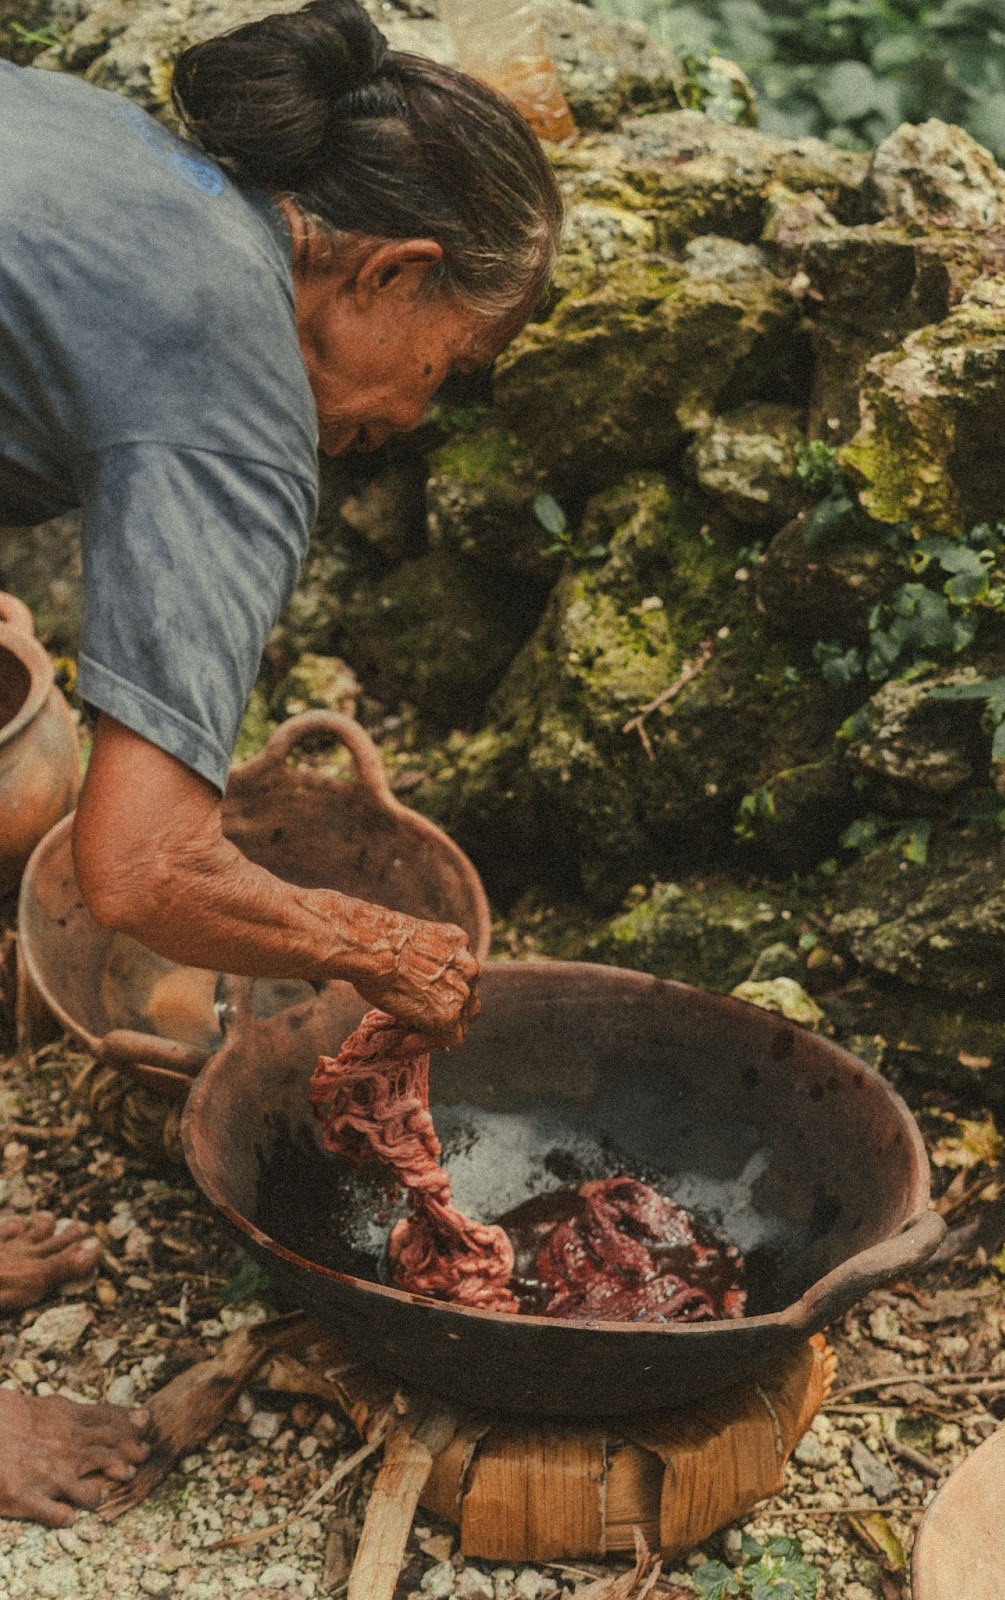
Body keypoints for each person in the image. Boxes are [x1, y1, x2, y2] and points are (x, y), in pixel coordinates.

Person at [0, 0, 564, 1524]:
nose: (408, 414)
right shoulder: (238, 384)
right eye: (449, 364)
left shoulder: (124, 155)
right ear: (391, 271)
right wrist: (376, 942)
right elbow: (139, 870)